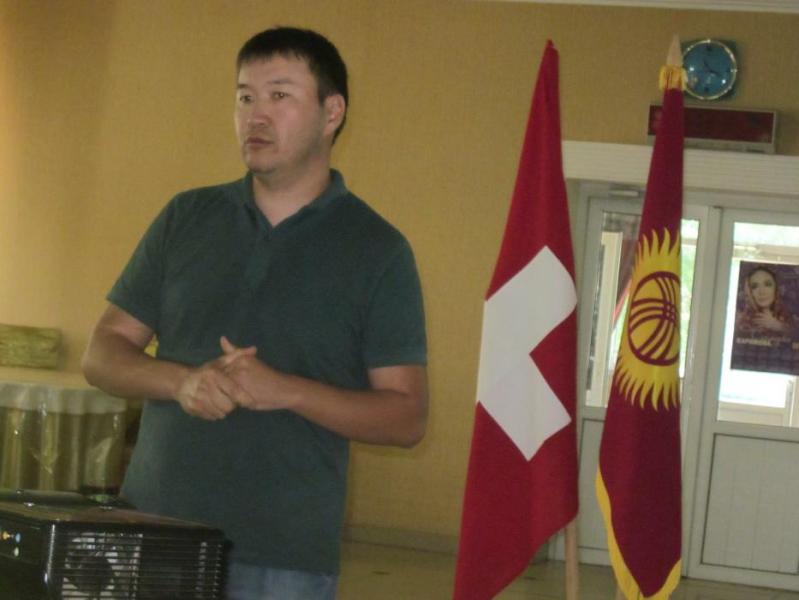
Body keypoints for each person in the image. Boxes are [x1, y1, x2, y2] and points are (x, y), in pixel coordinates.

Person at [82, 26, 428, 600]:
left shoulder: (378, 250)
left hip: (283, 561)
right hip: (155, 535)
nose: (255, 116)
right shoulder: (185, 218)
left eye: (279, 95)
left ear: (332, 112)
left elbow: (406, 417)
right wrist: (182, 382)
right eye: (245, 97)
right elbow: (101, 354)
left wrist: (284, 391)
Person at [735, 264, 795, 337]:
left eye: (767, 284)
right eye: (754, 287)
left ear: (776, 288)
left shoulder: (787, 317)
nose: (762, 292)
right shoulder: (742, 322)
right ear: (749, 292)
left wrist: (779, 326)